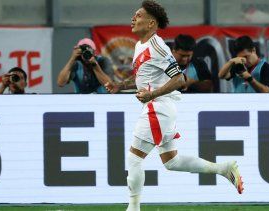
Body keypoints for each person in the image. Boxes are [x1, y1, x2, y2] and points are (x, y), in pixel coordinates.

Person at [104, 1, 243, 210]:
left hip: (158, 106)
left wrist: (153, 94)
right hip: (160, 107)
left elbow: (179, 80)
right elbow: (144, 77)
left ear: (151, 23)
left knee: (134, 158)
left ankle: (133, 208)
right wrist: (119, 85)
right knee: (172, 162)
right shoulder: (140, 45)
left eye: (138, 15)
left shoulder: (157, 46)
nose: (133, 18)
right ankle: (224, 168)